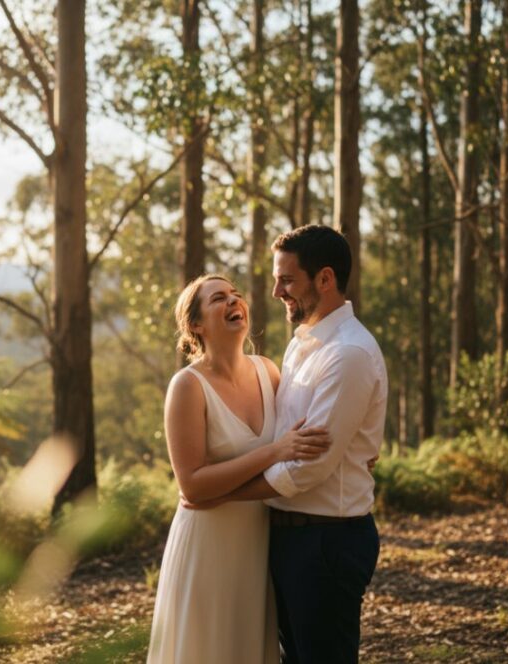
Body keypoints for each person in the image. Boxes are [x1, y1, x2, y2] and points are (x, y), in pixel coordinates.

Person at [187, 225, 388, 663]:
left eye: (287, 280)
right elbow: (284, 439)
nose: (276, 291)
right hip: (286, 541)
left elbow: (305, 469)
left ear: (325, 279)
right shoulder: (301, 347)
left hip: (325, 544)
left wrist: (221, 494)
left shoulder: (347, 354)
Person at [146, 274, 332, 664]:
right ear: (196, 325)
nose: (233, 301)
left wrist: (352, 451)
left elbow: (304, 436)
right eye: (218, 299)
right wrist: (273, 452)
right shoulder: (187, 386)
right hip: (207, 546)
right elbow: (192, 486)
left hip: (258, 546)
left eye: (235, 295)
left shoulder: (269, 371)